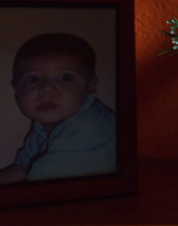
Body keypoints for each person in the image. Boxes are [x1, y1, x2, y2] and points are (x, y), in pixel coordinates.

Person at [0, 33, 116, 184]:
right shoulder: (45, 125)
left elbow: (40, 188)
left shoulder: (90, 129)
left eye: (66, 78)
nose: (46, 88)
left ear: (90, 86)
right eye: (34, 79)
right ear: (16, 89)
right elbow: (24, 167)